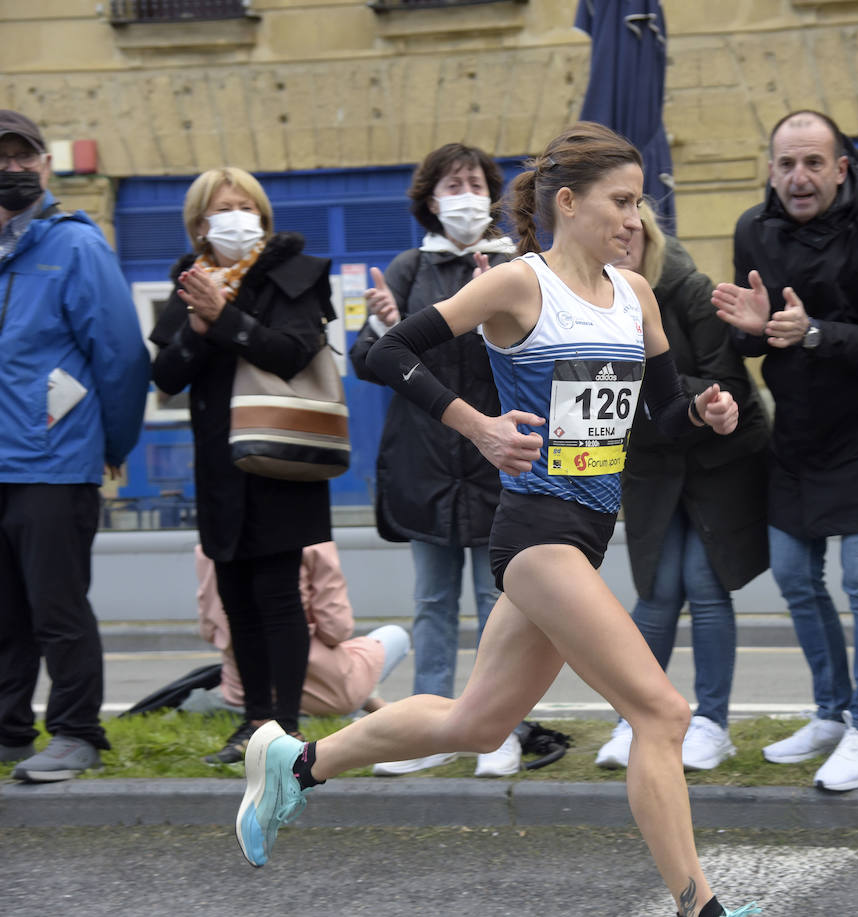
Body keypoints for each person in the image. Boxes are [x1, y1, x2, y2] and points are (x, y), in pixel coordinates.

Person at [232, 122, 759, 917]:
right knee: (662, 711)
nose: (633, 218)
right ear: (569, 203)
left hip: (586, 533)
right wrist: (477, 425)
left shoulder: (637, 294)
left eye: (639, 201)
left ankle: (294, 762)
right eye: (620, 201)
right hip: (537, 535)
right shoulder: (520, 285)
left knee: (479, 724)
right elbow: (386, 354)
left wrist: (706, 410)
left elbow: (658, 415)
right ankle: (702, 907)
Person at [711, 109, 858, 793]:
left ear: (840, 168)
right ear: (771, 170)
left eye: (812, 164)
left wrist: (816, 332)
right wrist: (748, 331)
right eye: (786, 164)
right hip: (798, 427)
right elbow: (753, 339)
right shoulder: (752, 229)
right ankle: (831, 711)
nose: (798, 178)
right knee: (796, 574)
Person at [149, 167, 335, 766]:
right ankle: (253, 721)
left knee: (279, 594)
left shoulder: (295, 273)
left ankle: (284, 727)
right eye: (218, 210)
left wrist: (225, 319)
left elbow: (292, 351)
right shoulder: (190, 279)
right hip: (220, 466)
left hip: (281, 458)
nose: (233, 218)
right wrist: (201, 327)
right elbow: (167, 376)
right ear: (198, 225)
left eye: (243, 206)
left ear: (261, 214)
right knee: (236, 597)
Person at [349, 143, 518, 778]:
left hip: (497, 456)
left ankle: (496, 728)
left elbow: (536, 359)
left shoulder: (515, 266)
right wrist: (381, 328)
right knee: (433, 601)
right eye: (452, 184)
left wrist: (493, 316)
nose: (465, 194)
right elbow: (368, 366)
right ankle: (433, 728)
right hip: (424, 461)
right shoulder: (407, 267)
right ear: (430, 198)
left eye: (475, 182)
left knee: (498, 600)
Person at [0, 110, 149, 783]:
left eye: (23, 156)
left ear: (46, 166)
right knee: (5, 613)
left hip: (53, 463)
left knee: (56, 605)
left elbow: (120, 358)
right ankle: (8, 731)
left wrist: (112, 443)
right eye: (0, 158)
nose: (12, 169)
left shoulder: (75, 247)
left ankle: (76, 731)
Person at [595, 203, 769, 772]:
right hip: (652, 467)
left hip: (719, 461)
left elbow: (731, 386)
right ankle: (636, 720)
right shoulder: (589, 305)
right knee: (657, 590)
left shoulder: (690, 289)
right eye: (610, 235)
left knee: (704, 581)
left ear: (650, 236)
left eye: (632, 233)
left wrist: (664, 388)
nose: (622, 244)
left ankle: (712, 723)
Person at [195, 542, 410, 719]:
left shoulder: (211, 547)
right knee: (394, 635)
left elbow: (209, 630)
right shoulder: (311, 541)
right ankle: (362, 705)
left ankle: (370, 703)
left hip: (239, 692)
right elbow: (336, 630)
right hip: (322, 691)